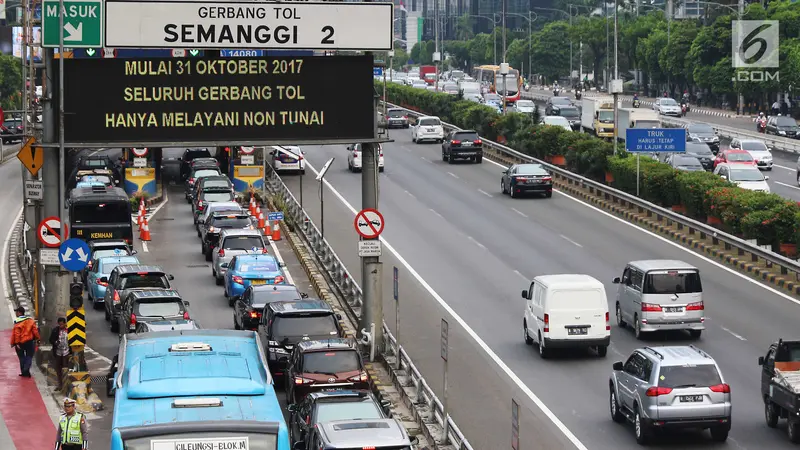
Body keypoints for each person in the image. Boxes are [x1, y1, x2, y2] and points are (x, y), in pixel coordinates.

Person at [10, 306, 39, 377]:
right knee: (29, 356)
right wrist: (38, 339)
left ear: (20, 313)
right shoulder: (30, 321)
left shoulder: (18, 322)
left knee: (21, 357)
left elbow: (17, 334)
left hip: (20, 343)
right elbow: (35, 331)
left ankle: (24, 371)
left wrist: (16, 343)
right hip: (30, 342)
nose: (16, 313)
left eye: (16, 312)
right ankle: (26, 370)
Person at [49, 318, 71, 390]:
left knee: (65, 368)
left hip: (66, 352)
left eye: (62, 324)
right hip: (58, 352)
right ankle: (60, 385)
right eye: (59, 324)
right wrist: (55, 342)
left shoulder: (69, 331)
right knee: (58, 369)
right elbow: (51, 339)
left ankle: (66, 384)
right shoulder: (55, 330)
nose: (61, 326)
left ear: (65, 323)